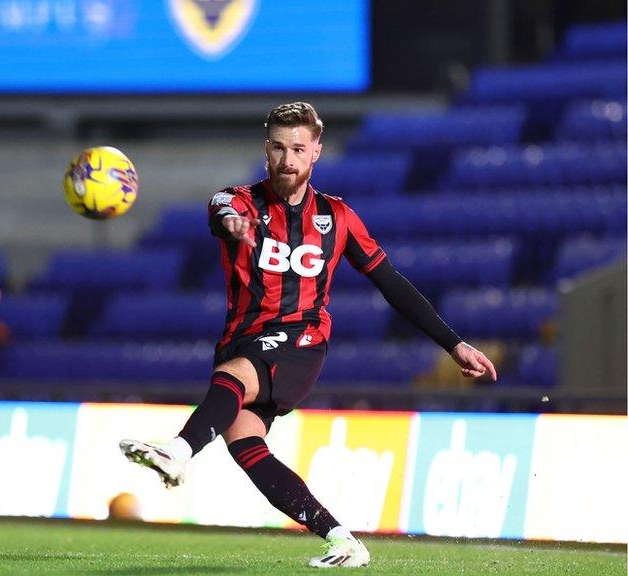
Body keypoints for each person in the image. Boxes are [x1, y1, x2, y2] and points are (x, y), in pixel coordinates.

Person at [120, 102, 496, 568]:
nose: (287, 159)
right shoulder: (237, 201)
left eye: (298, 148)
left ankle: (178, 452)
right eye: (278, 148)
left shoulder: (338, 218)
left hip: (302, 340)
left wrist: (452, 342)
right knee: (246, 445)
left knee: (238, 375)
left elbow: (391, 283)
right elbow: (219, 212)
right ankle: (343, 540)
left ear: (316, 151)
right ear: (266, 150)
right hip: (243, 337)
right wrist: (233, 225)